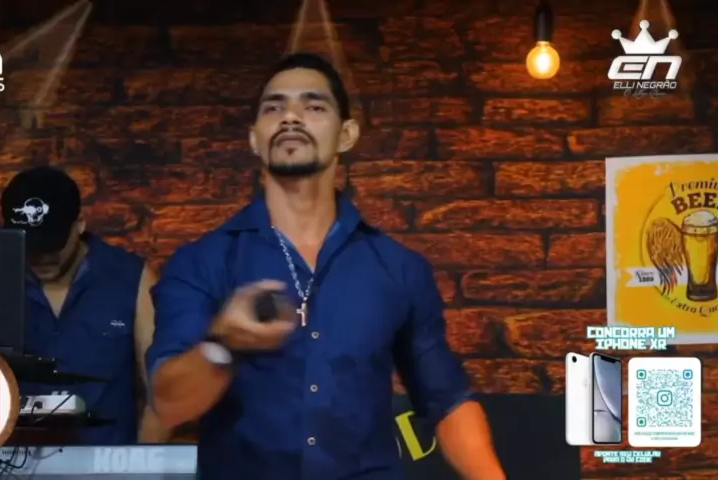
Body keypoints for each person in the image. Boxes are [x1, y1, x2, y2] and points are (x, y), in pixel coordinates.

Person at [147, 53, 505, 479]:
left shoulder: (398, 267)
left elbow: (446, 400)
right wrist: (222, 345)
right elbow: (169, 405)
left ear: (346, 135)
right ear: (254, 138)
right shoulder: (202, 262)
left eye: (314, 106)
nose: (290, 117)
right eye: (274, 107)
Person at [0, 166, 166, 445]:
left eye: (52, 244)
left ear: (79, 224)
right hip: (11, 461)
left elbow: (160, 393)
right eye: (31, 245)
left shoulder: (132, 278)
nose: (41, 257)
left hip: (110, 461)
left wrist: (142, 461)